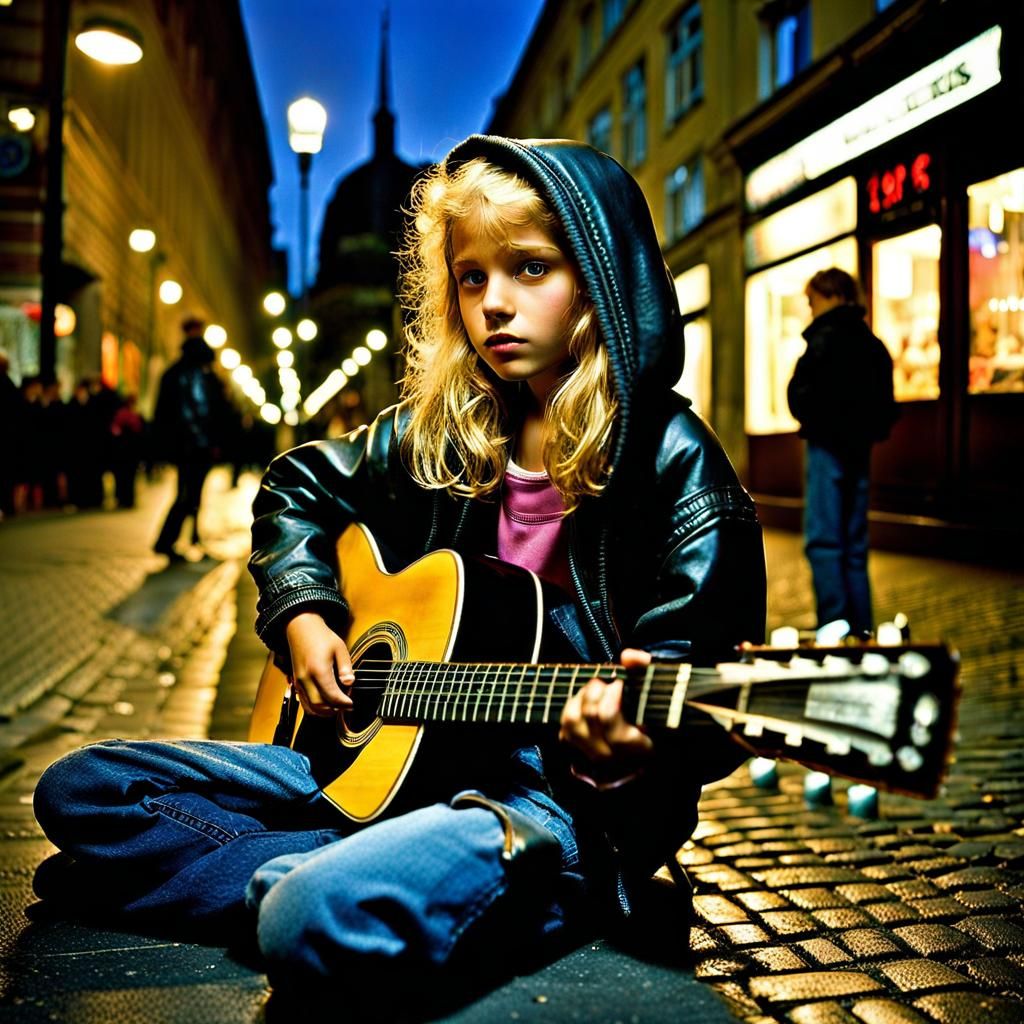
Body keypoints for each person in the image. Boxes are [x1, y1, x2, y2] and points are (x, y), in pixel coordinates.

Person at [33, 137, 766, 1009]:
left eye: (530, 268)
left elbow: (693, 696)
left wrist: (629, 747)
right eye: (470, 277)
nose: (494, 303)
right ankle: (354, 876)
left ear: (603, 277)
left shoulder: (678, 471)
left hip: (552, 804)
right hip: (385, 761)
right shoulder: (444, 433)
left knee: (308, 917)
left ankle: (324, 881)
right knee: (86, 788)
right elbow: (296, 486)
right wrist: (306, 613)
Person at [787, 267, 897, 637]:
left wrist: (819, 419)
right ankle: (861, 629)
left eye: (812, 300)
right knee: (853, 542)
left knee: (824, 540)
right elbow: (885, 402)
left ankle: (834, 626)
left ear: (830, 295)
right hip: (859, 451)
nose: (810, 308)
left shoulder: (824, 341)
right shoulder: (871, 343)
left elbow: (799, 395)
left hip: (826, 449)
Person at [151, 318, 229, 558]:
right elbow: (202, 410)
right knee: (189, 493)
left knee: (190, 492)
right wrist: (210, 440)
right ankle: (168, 540)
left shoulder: (176, 372)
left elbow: (163, 411)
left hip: (186, 443)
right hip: (196, 443)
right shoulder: (199, 373)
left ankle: (188, 537)